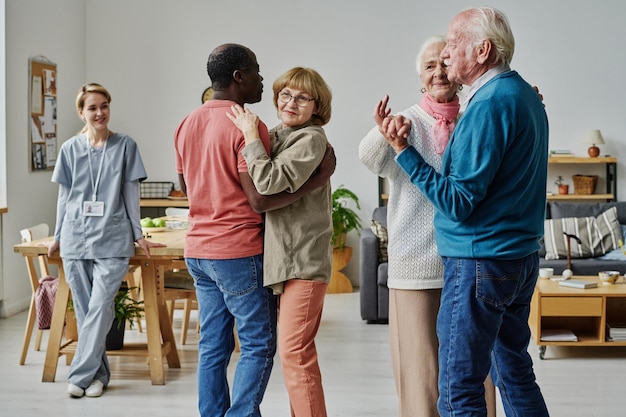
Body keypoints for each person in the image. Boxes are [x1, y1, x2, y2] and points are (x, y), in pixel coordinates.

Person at [380, 7, 550, 416]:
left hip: (481, 263)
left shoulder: (489, 105)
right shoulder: (524, 94)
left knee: (459, 386)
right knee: (513, 371)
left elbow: (457, 202)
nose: (447, 52)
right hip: (519, 258)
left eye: (455, 44)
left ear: (483, 51)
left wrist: (405, 153)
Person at [174, 45, 334, 417]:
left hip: (198, 248)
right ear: (239, 77)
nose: (263, 80)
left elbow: (183, 185)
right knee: (258, 345)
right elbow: (260, 198)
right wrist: (318, 180)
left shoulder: (186, 122)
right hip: (236, 249)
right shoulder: (251, 126)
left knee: (213, 345)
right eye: (258, 72)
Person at [359, 36, 495, 417]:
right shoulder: (408, 121)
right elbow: (368, 157)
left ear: (458, 71)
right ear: (420, 78)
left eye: (444, 64)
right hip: (416, 266)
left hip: (469, 260)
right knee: (421, 371)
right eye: (429, 67)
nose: (438, 72)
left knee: (474, 366)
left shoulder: (476, 115)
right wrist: (383, 128)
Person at [227, 66, 333, 417]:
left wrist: (249, 136)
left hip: (304, 261)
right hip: (282, 262)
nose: (291, 102)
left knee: (295, 354)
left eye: (303, 97)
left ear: (317, 106)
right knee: (294, 355)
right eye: (285, 94)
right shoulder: (277, 135)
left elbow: (269, 182)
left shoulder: (311, 138)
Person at [48, 83, 163, 398]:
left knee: (100, 306)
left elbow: (130, 194)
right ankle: (98, 377)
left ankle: (79, 375)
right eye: (92, 108)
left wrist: (138, 233)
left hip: (113, 238)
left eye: (104, 106)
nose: (99, 113)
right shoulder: (70, 149)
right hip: (74, 237)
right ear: (81, 112)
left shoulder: (126, 146)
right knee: (86, 311)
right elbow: (64, 197)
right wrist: (58, 235)